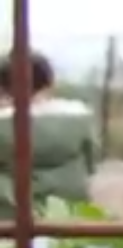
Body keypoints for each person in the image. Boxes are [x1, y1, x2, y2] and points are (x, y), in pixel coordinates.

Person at [0, 51, 99, 219]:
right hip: (69, 213)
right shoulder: (79, 119)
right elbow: (92, 162)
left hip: (11, 218)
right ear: (49, 83)